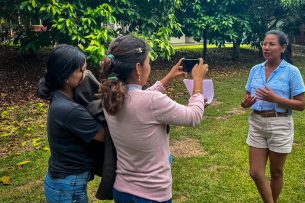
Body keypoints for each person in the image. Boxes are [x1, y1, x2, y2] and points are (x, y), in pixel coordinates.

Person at [98, 35, 208, 203]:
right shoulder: (150, 102)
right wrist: (198, 82)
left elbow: (140, 98)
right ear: (138, 68)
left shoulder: (109, 98)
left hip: (122, 190)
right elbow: (194, 116)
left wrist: (168, 77)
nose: (149, 66)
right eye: (148, 62)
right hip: (152, 194)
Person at [241, 30, 305, 203]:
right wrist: (245, 104)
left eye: (272, 44)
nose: (266, 47)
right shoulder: (255, 70)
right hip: (256, 122)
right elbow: (246, 98)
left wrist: (275, 99)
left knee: (276, 172)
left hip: (280, 123)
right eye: (264, 44)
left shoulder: (292, 72)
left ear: (283, 47)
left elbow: (301, 105)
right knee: (255, 172)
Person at [38, 44, 105, 203]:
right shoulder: (69, 110)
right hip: (67, 186)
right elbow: (104, 135)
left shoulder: (60, 95)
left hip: (63, 182)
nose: (86, 74)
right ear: (66, 76)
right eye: (81, 70)